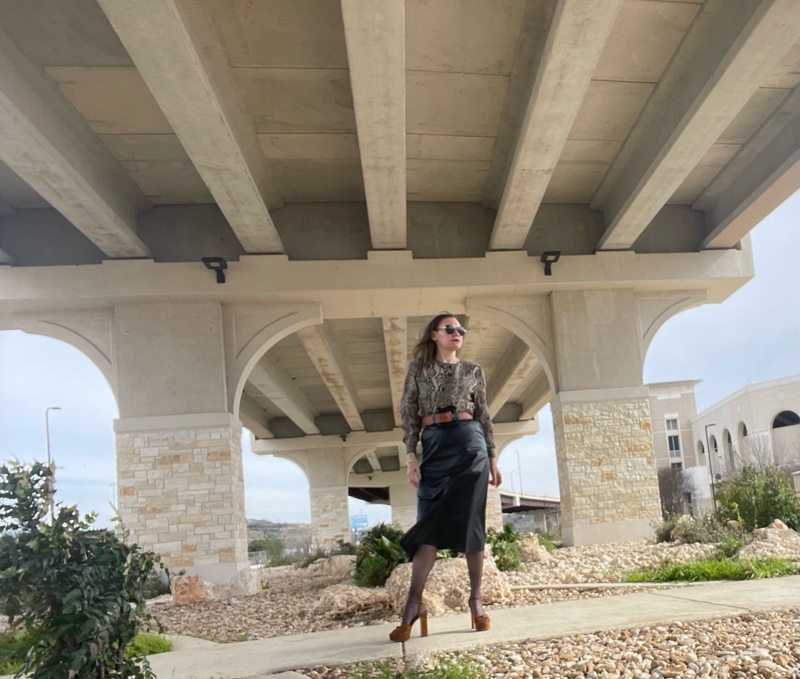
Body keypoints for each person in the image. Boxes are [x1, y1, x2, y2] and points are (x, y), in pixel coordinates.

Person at [389, 312, 502, 643]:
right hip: (435, 448)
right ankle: (413, 604)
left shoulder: (473, 371)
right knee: (429, 525)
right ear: (434, 335)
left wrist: (493, 457)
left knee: (472, 524)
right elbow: (409, 414)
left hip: (472, 446)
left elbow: (484, 415)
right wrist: (411, 457)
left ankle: (476, 601)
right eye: (449, 329)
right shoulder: (418, 370)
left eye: (460, 329)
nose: (457, 333)